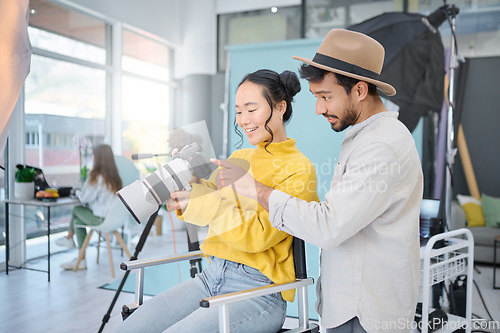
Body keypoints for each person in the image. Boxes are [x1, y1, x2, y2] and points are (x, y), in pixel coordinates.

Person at [212, 29, 424, 333]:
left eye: (326, 97)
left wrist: (255, 190)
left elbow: (327, 226)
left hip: (364, 313)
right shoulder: (364, 137)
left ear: (360, 90)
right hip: (349, 304)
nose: (319, 108)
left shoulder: (381, 146)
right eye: (316, 97)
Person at [116, 69, 319, 333]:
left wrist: (202, 203)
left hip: (259, 292)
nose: (244, 120)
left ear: (280, 107)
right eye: (238, 111)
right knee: (130, 328)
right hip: (210, 277)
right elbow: (207, 199)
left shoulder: (299, 169)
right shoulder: (240, 157)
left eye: (251, 109)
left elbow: (258, 236)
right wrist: (186, 181)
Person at [56, 144, 123, 270]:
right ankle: (80, 259)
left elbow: (85, 198)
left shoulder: (97, 175)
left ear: (98, 158)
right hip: (114, 219)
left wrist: (75, 192)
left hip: (102, 219)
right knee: (77, 221)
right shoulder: (114, 176)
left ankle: (69, 239)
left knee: (76, 210)